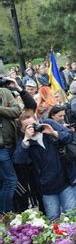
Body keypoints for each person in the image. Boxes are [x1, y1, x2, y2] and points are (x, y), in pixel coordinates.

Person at [13, 112, 76, 221]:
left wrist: (53, 132)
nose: (33, 128)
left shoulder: (48, 124)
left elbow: (70, 137)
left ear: (37, 120)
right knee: (52, 217)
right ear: (23, 129)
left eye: (34, 124)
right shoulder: (25, 140)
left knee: (72, 216)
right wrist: (26, 140)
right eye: (27, 127)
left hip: (65, 179)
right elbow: (18, 160)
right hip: (46, 187)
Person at [0, 68, 21, 213]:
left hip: (12, 144)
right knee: (11, 181)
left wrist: (1, 109)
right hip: (0, 149)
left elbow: (16, 110)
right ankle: (5, 214)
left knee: (9, 181)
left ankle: (12, 211)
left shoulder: (5, 92)